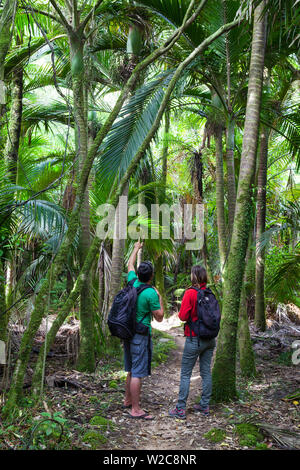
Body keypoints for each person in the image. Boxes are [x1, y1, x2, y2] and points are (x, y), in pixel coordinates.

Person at [123, 241, 164, 420]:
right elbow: (160, 316)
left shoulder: (132, 281)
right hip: (140, 334)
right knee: (137, 372)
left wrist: (135, 249)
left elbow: (129, 265)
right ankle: (136, 409)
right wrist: (160, 298)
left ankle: (127, 400)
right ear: (151, 276)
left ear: (139, 274)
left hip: (127, 331)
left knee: (131, 369)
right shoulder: (151, 293)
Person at [169, 265, 216, 420]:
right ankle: (205, 405)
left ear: (193, 276)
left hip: (194, 339)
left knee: (185, 374)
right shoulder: (209, 293)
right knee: (206, 372)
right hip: (210, 339)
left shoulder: (190, 293)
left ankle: (180, 408)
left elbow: (183, 316)